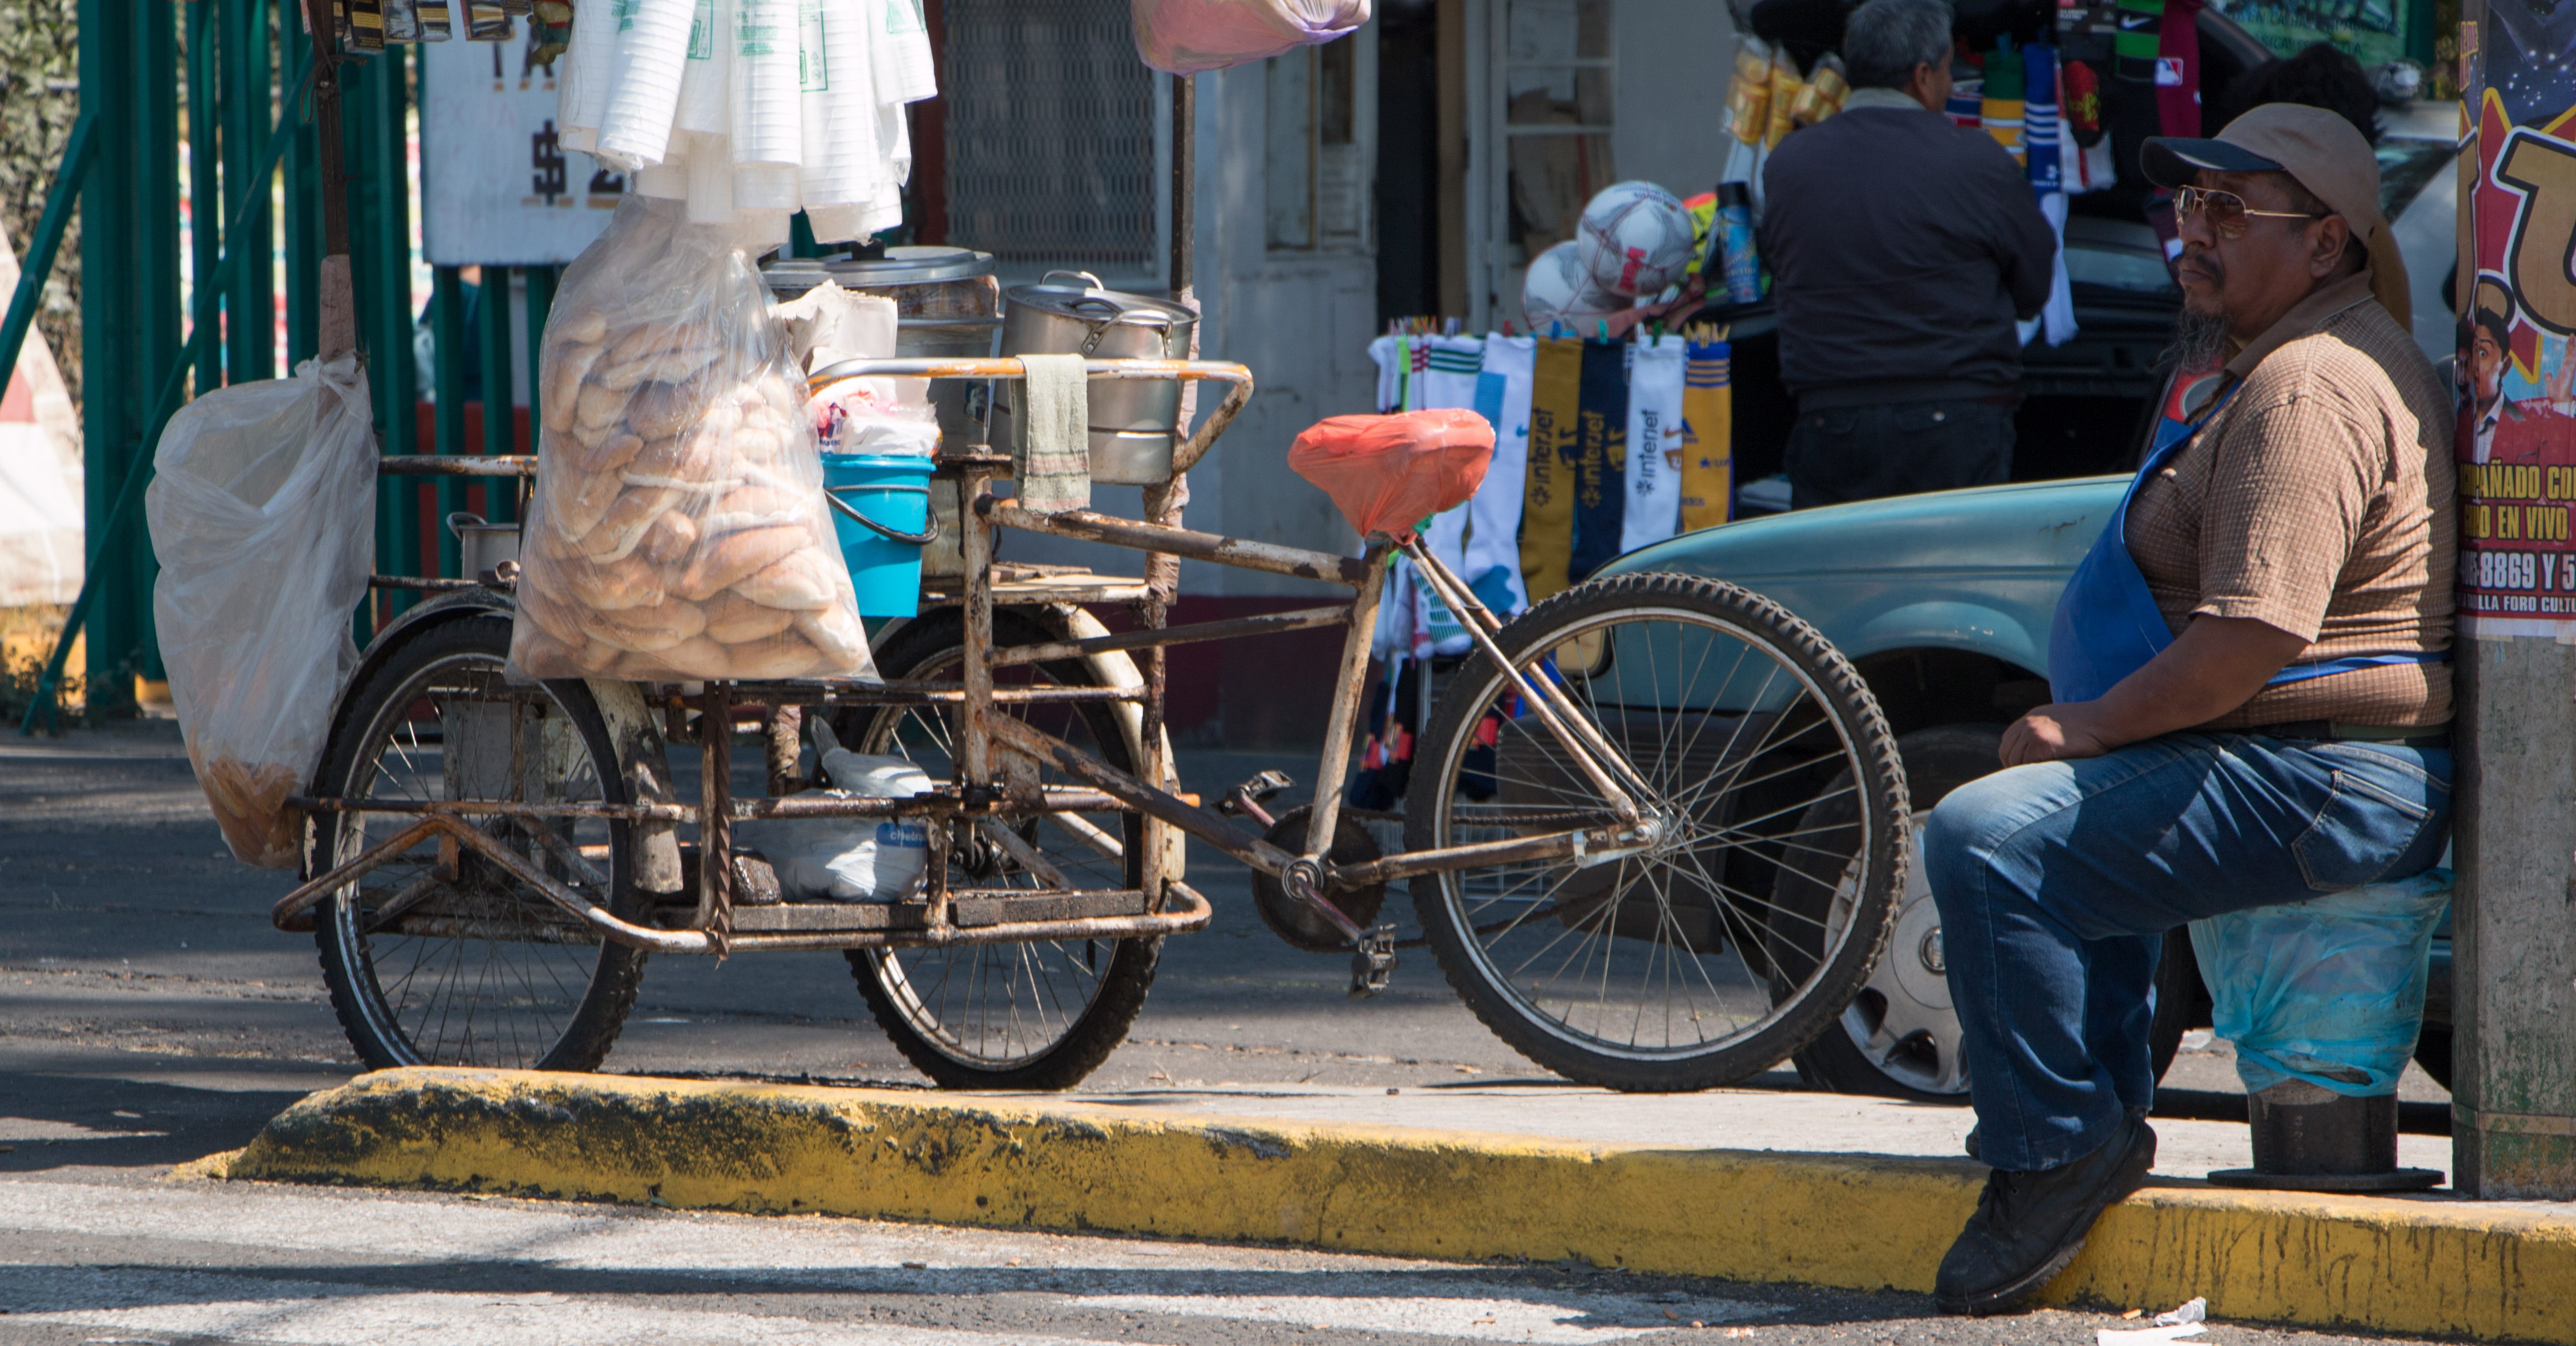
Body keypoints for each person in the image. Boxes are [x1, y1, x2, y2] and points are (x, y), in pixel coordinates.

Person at [1922, 103, 2453, 1315]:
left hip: (2327, 772)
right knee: (2056, 827)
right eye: (2186, 206)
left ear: (2322, 244)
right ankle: (2093, 1120)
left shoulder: (2306, 384)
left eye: (2228, 210)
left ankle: (2057, 1146)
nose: (2189, 233)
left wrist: (2093, 722)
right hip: (2308, 761)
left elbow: (2253, 632)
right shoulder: (2279, 361)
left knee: (1986, 835)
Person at [1759, 0, 2056, 509]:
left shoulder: (1788, 163)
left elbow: (1778, 269)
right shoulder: (1978, 161)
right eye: (1946, 72)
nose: (1947, 84)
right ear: (1923, 75)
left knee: (1840, 583)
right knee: (1955, 582)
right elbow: (2034, 287)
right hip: (1957, 423)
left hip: (1831, 425)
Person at [2465, 276, 2576, 465]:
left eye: (2483, 352)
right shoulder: (2459, 421)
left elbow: (2560, 471)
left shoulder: (2529, 419)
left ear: (2505, 365)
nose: (2475, 364)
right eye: (2473, 350)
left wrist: (2561, 402)